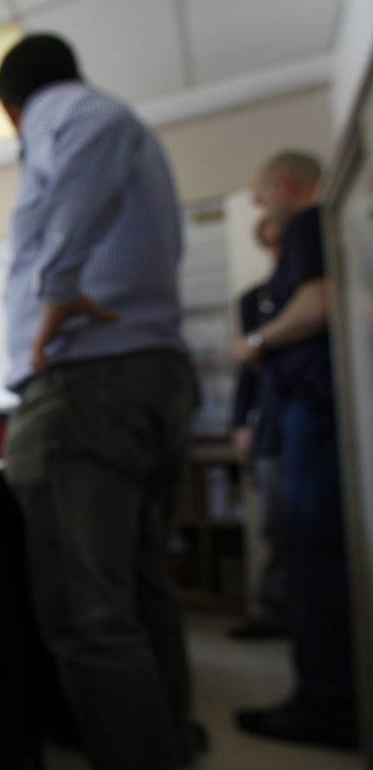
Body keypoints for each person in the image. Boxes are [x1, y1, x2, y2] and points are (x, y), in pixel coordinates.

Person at [0, 34, 199, 770]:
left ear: (11, 110)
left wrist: (54, 286)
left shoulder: (67, 111)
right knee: (138, 595)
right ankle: (170, 746)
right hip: (143, 378)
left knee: (90, 618)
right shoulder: (125, 136)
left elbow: (96, 128)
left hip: (87, 385)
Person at [233, 151, 358, 749]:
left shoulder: (309, 222)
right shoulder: (328, 226)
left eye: (262, 200)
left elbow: (317, 304)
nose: (265, 211)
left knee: (314, 555)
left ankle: (325, 702)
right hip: (313, 413)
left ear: (284, 185)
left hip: (312, 411)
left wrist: (256, 341)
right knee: (312, 551)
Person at [228, 216, 290, 640]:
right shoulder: (255, 300)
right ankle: (274, 609)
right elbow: (247, 370)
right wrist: (240, 422)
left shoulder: (314, 290)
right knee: (276, 523)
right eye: (270, 244)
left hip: (312, 417)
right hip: (270, 425)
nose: (276, 252)